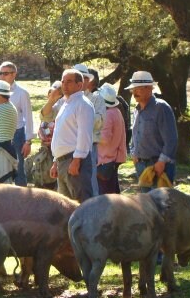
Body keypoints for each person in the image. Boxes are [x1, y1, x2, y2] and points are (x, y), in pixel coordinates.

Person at [42, 69, 94, 202]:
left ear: (79, 85)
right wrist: (55, 162)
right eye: (63, 82)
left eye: (69, 82)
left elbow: (84, 135)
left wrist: (76, 161)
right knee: (65, 206)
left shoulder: (83, 104)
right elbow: (60, 133)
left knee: (81, 204)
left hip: (74, 160)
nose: (64, 85)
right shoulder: (65, 103)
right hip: (62, 161)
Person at [125, 71, 178, 192]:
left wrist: (161, 162)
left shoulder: (161, 108)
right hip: (141, 165)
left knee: (161, 205)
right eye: (133, 89)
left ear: (149, 88)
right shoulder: (137, 110)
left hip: (159, 165)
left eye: (138, 89)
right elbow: (135, 135)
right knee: (147, 206)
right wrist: (134, 154)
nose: (134, 93)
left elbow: (171, 139)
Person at [0, 61, 35, 186]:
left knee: (19, 170)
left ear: (14, 74)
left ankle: (22, 201)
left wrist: (28, 141)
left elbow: (28, 118)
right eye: (0, 73)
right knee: (1, 170)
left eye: (5, 73)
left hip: (17, 135)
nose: (2, 76)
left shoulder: (22, 93)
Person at [74, 64, 106, 196]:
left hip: (88, 147)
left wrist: (79, 119)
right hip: (68, 147)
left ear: (88, 81)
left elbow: (99, 122)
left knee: (89, 183)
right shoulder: (64, 101)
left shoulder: (97, 99)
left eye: (84, 78)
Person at [96, 83, 127, 194]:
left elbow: (104, 139)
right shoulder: (116, 112)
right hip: (113, 159)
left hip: (105, 160)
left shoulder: (108, 114)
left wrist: (90, 134)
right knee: (113, 191)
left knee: (105, 195)